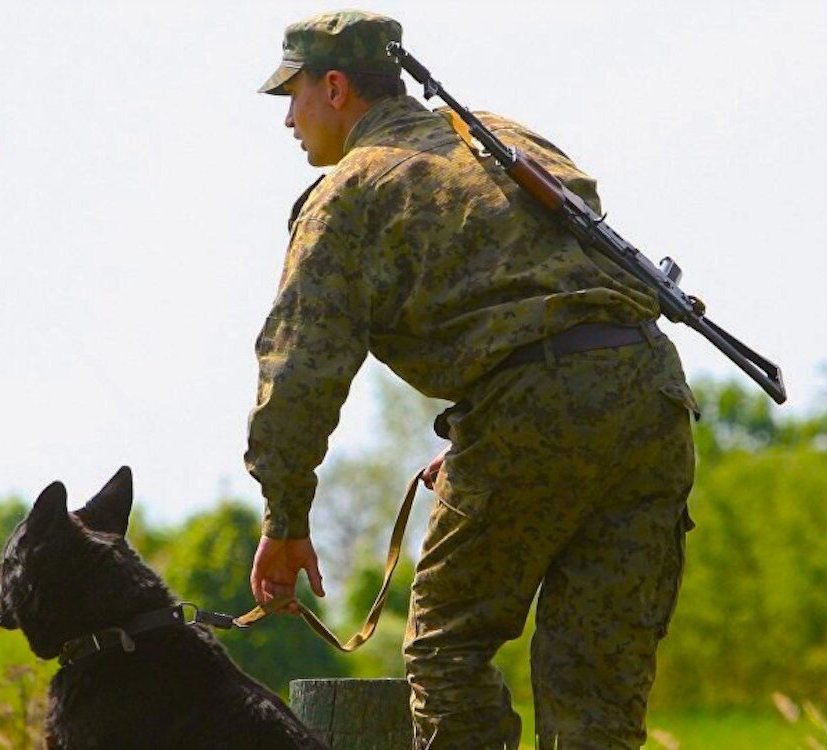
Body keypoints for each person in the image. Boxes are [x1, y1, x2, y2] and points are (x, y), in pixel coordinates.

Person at [245, 10, 699, 750]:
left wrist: (285, 518)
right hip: (650, 393)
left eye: (291, 95)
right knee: (596, 685)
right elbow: (565, 277)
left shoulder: (348, 193)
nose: (288, 117)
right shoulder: (501, 137)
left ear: (335, 87)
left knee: (446, 650)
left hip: (533, 405)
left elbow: (299, 367)